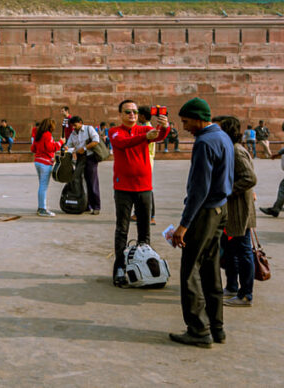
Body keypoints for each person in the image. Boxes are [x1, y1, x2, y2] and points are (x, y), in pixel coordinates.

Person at [169, 97, 232, 348]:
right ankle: (217, 327)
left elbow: (199, 189)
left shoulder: (204, 143)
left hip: (205, 212)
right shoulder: (223, 136)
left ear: (198, 118)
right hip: (220, 209)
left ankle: (198, 330)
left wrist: (183, 225)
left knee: (190, 271)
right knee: (211, 268)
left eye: (186, 121)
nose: (184, 127)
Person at [108, 100, 169, 287]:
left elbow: (158, 137)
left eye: (134, 112)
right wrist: (146, 136)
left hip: (144, 186)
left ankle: (146, 266)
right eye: (127, 112)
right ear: (120, 114)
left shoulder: (143, 131)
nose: (132, 115)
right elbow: (123, 143)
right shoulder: (114, 131)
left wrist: (164, 127)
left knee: (145, 230)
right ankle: (119, 268)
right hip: (123, 187)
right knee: (122, 229)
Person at [213, 115, 256, 308]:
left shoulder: (237, 151)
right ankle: (231, 286)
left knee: (243, 251)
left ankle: (246, 294)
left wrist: (226, 191)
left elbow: (249, 178)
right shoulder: (228, 149)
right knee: (229, 251)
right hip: (229, 211)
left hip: (239, 210)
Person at [64, 115, 102, 215]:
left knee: (92, 182)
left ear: (80, 122)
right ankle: (87, 205)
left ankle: (96, 206)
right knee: (81, 182)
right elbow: (69, 145)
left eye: (75, 125)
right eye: (72, 126)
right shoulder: (73, 134)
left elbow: (96, 141)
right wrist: (66, 148)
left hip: (90, 158)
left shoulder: (89, 129)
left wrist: (84, 148)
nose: (73, 127)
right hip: (80, 159)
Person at [30, 118, 63, 217]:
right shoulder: (47, 134)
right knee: (43, 186)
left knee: (42, 186)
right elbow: (50, 148)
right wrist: (60, 143)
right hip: (45, 162)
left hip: (38, 162)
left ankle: (41, 206)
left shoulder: (38, 134)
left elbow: (33, 148)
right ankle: (42, 209)